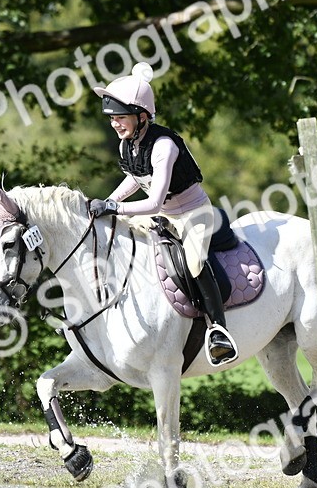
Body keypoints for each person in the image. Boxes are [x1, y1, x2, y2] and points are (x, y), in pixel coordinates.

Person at [87, 63, 239, 366]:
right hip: (162, 216)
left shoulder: (164, 146)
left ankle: (218, 329)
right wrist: (109, 201)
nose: (115, 124)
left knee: (194, 260)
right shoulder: (127, 145)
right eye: (112, 118)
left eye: (121, 117)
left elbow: (154, 201)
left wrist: (115, 207)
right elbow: (135, 178)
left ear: (142, 116)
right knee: (113, 234)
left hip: (192, 213)